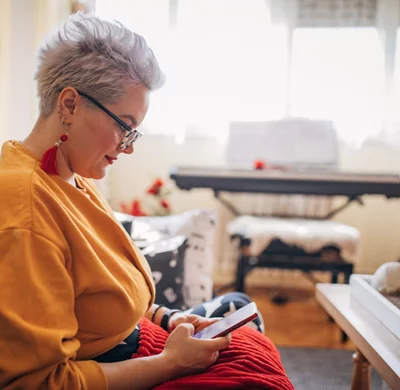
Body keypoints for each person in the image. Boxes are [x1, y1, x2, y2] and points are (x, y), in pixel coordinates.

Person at [0, 12, 292, 390]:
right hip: (114, 371)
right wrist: (171, 363)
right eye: (124, 127)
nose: (128, 148)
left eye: (133, 133)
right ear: (69, 105)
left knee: (238, 313)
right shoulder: (25, 214)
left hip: (140, 339)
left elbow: (99, 293)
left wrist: (169, 319)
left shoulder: (68, 175)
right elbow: (39, 384)